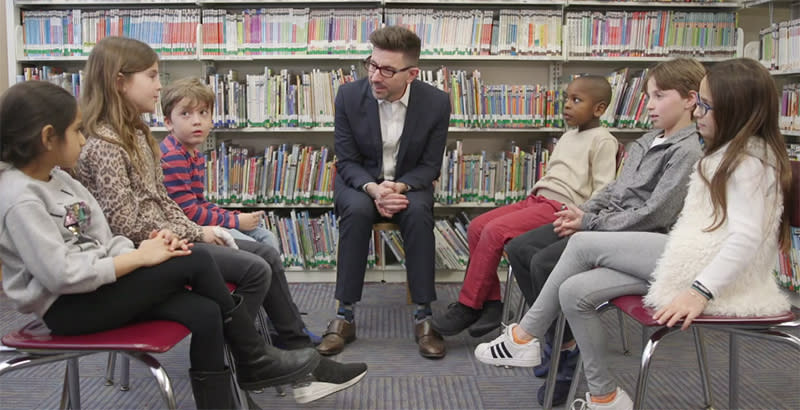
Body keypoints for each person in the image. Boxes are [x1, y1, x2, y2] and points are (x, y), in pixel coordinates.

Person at [474, 57, 792, 410]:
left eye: (706, 106)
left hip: (705, 270)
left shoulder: (749, 163)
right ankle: (604, 396)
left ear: (735, 110)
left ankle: (524, 334)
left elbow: (746, 239)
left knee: (580, 244)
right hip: (689, 254)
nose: (699, 113)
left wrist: (699, 292)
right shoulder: (724, 154)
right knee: (574, 290)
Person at [72, 36, 365, 404]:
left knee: (258, 261)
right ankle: (266, 360)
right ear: (119, 81)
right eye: (151, 75)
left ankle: (279, 360)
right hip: (143, 253)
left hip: (169, 240)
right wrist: (200, 232)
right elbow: (127, 224)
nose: (159, 83)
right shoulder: (106, 145)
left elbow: (163, 202)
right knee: (257, 266)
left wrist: (201, 230)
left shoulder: (136, 134)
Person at [0, 80, 322, 409]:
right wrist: (140, 259)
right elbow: (61, 276)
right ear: (47, 137)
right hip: (68, 308)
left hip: (99, 289)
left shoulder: (62, 180)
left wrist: (145, 251)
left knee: (206, 311)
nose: (84, 139)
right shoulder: (20, 199)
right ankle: (252, 357)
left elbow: (104, 241)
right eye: (77, 131)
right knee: (194, 259)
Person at [503, 57, 706, 405]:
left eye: (659, 96)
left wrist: (590, 223)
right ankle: (553, 337)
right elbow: (614, 189)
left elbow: (655, 214)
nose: (649, 105)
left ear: (690, 99)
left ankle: (563, 355)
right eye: (648, 96)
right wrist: (584, 211)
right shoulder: (647, 140)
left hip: (634, 237)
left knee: (544, 263)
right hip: (604, 224)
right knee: (520, 249)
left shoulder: (688, 150)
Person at [432, 75, 619, 338]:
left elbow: (604, 188)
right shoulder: (568, 136)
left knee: (496, 232)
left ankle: (468, 305)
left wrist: (583, 217)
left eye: (577, 100)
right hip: (537, 199)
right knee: (476, 227)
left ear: (599, 108)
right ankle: (491, 304)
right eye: (567, 98)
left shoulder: (603, 140)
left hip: (561, 207)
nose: (567, 105)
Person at [318, 26, 451, 359]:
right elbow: (346, 160)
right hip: (361, 182)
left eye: (387, 70)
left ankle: (424, 317)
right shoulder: (349, 96)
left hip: (407, 182)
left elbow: (430, 165)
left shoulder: (436, 103)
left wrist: (399, 186)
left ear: (412, 74)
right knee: (357, 211)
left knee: (419, 213)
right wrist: (375, 189)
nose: (375, 76)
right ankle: (344, 316)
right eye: (372, 64)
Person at [158, 77, 280, 251]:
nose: (196, 121)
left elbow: (200, 202)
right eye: (186, 113)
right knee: (256, 248)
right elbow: (189, 213)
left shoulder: (195, 154)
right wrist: (236, 221)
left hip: (196, 222)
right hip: (186, 230)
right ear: (168, 122)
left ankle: (272, 278)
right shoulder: (173, 156)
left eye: (203, 113)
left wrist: (234, 216)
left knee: (267, 237)